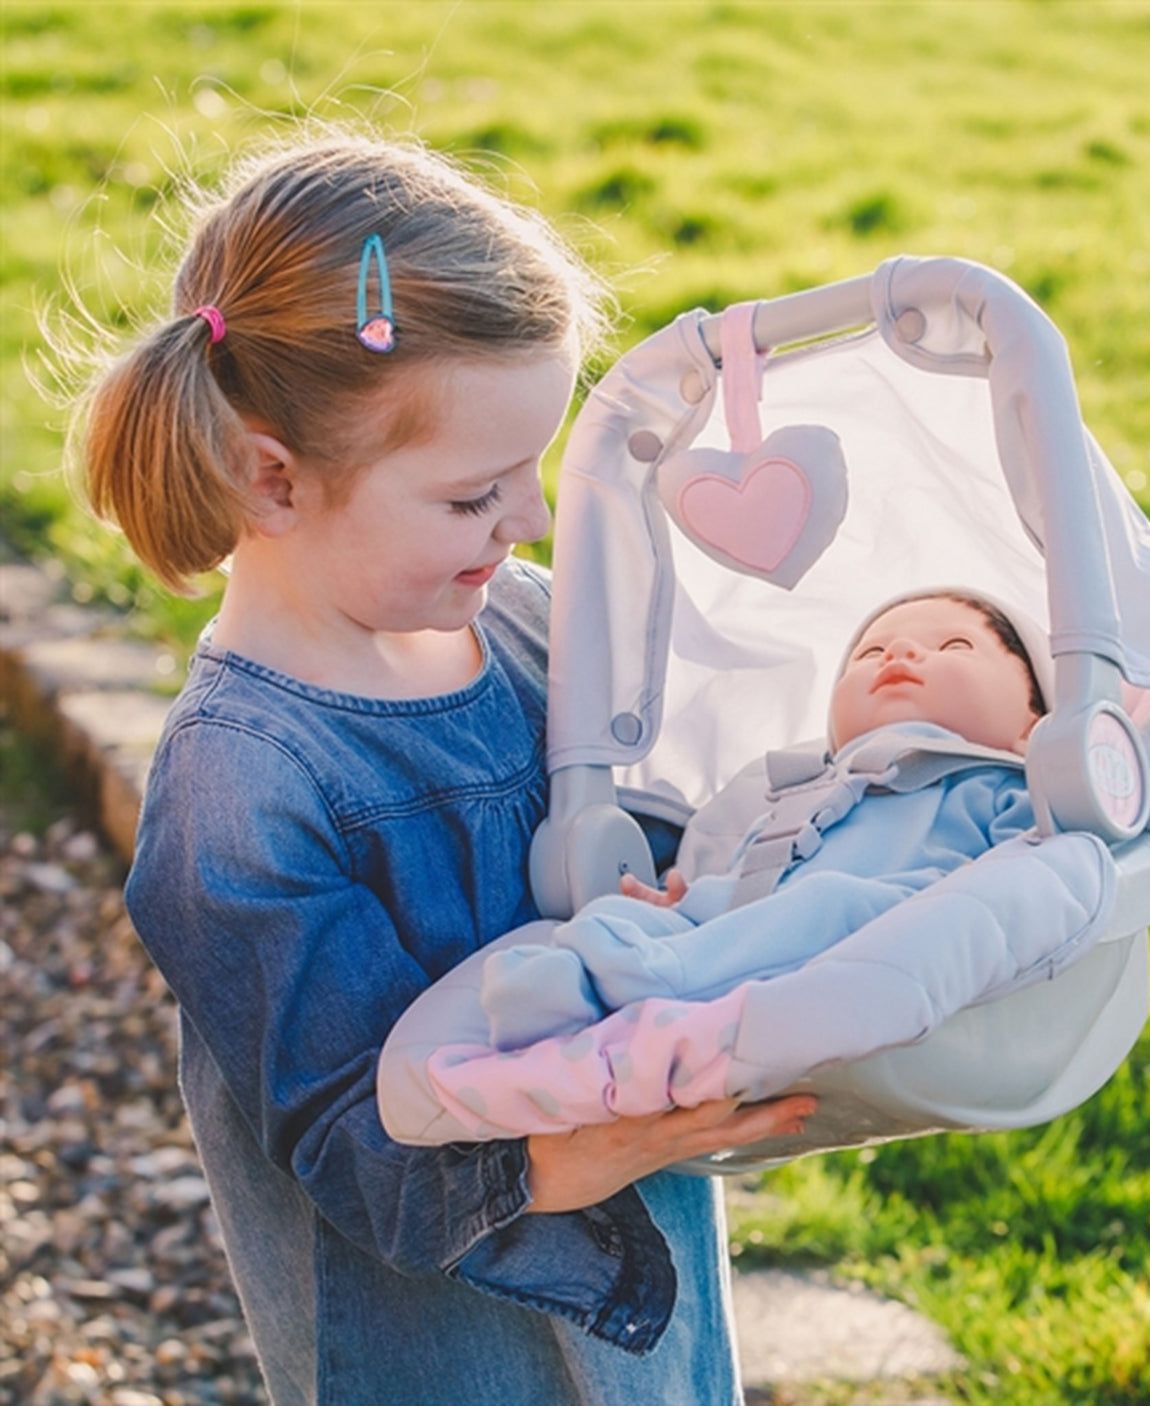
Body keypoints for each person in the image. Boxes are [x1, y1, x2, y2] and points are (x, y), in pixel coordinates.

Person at [72, 130, 817, 1406]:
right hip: (432, 1340)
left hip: (643, 1286)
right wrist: (592, 1139)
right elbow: (354, 1141)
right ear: (272, 479)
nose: (525, 519)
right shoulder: (241, 794)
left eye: (531, 471)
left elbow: (654, 818)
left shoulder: (525, 626)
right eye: (475, 494)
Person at [420, 588, 1049, 1138]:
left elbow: (1033, 876)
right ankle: (553, 996)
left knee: (822, 902)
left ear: (1032, 723)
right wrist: (677, 905)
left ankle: (619, 1015)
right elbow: (738, 878)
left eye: (955, 646)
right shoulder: (802, 788)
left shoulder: (1002, 785)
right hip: (756, 918)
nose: (901, 657)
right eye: (871, 654)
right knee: (627, 920)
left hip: (887, 925)